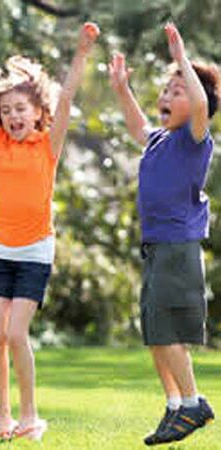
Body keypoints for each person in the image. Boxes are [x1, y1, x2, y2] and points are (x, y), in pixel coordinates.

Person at [0, 13, 99, 440]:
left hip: (35, 249)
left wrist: (80, 53)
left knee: (16, 332)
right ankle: (3, 416)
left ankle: (30, 416)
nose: (12, 116)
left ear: (38, 112)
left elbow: (69, 96)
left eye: (20, 109)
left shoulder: (47, 146)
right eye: (6, 111)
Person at [108, 23, 218, 446]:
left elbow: (200, 101)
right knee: (155, 330)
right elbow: (138, 128)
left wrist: (181, 58)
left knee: (169, 330)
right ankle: (174, 407)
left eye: (177, 92)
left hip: (177, 248)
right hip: (156, 249)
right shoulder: (159, 141)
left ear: (197, 104)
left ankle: (193, 403)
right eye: (166, 92)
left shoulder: (195, 140)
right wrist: (121, 89)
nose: (166, 98)